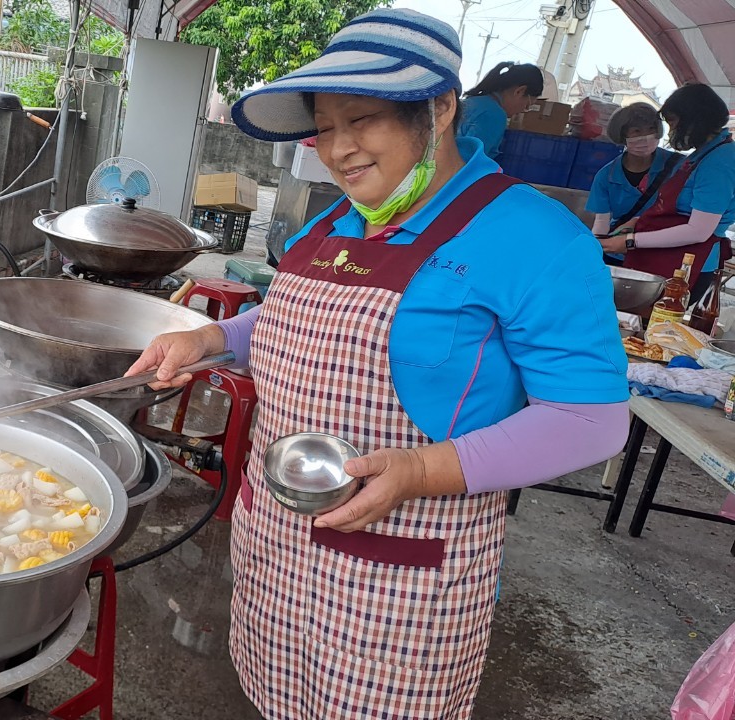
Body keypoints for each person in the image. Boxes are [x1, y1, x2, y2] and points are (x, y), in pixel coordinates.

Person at [134, 9, 629, 719]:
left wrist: (421, 471)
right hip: (276, 545)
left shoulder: (534, 237)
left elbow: (590, 421)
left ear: (441, 107)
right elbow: (288, 319)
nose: (338, 150)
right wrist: (210, 339)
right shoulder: (335, 221)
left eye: (361, 120)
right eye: (323, 128)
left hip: (403, 574)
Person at [601, 84, 735, 301]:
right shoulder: (702, 154)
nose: (671, 130)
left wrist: (631, 241)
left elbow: (699, 231)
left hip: (688, 265)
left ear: (694, 120)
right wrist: (636, 222)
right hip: (666, 256)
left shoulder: (719, 162)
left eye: (673, 122)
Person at [587, 102, 683, 266]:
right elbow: (601, 223)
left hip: (662, 253)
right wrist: (593, 252)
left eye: (651, 129)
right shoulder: (606, 176)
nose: (646, 137)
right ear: (622, 135)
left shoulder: (678, 166)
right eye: (637, 131)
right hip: (617, 253)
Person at [458, 61, 545, 160]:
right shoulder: (495, 115)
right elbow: (470, 161)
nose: (522, 111)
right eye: (527, 105)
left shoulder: (475, 101)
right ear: (519, 91)